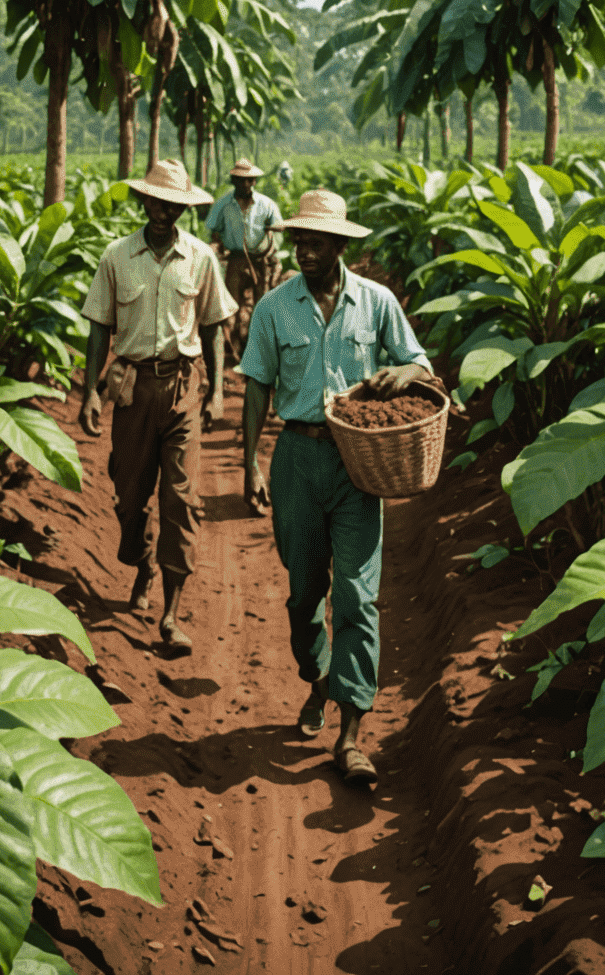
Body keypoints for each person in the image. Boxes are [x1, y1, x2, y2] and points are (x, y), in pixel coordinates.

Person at [237, 189, 433, 786]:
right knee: (304, 596)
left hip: (357, 463)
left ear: (342, 244)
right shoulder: (274, 308)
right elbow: (254, 388)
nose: (305, 251)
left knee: (354, 595)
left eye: (317, 242)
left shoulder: (375, 304)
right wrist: (249, 462)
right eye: (300, 241)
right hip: (296, 457)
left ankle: (351, 735)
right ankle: (318, 674)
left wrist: (404, 371)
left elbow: (419, 365)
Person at [79, 159, 237, 655]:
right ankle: (142, 560)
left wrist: (215, 390)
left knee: (181, 500)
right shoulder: (116, 257)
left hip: (181, 388)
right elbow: (99, 327)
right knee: (130, 496)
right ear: (144, 201)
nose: (165, 211)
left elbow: (212, 326)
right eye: (157, 202)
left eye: (174, 204)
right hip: (130, 388)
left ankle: (171, 612)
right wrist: (88, 392)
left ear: (184, 208)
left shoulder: (200, 258)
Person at [205, 158, 282, 361]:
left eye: (249, 180)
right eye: (240, 180)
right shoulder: (223, 204)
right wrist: (217, 243)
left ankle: (256, 346)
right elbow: (212, 228)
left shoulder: (266, 205)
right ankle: (233, 344)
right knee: (231, 305)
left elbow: (279, 228)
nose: (245, 185)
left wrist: (271, 244)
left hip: (260, 260)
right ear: (233, 180)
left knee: (262, 304)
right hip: (236, 259)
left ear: (255, 181)